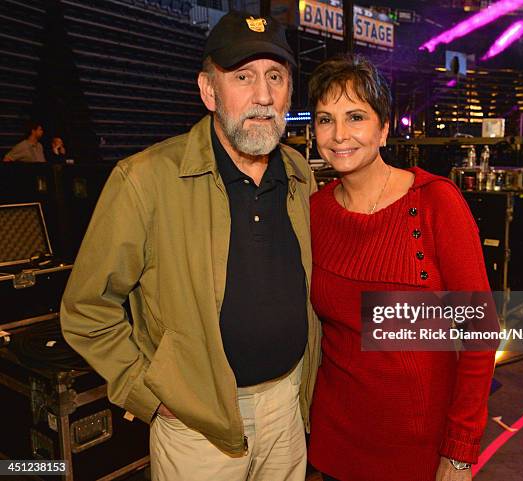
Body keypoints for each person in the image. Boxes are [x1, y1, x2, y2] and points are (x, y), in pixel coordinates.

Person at [61, 11, 320, 481]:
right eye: (243, 76)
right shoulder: (144, 180)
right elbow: (86, 309)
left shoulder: (302, 175)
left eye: (276, 77)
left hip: (287, 408)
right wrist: (151, 395)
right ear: (208, 90)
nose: (263, 96)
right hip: (195, 426)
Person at [307, 55, 498, 481]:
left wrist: (461, 450)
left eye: (355, 117)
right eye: (325, 120)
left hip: (421, 451)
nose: (339, 135)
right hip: (336, 443)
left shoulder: (436, 202)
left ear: (383, 127)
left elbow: (479, 334)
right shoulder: (314, 212)